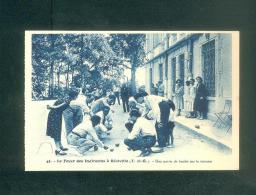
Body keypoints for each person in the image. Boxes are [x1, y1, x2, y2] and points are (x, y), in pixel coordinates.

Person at [46, 90, 78, 155]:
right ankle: (57, 149)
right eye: (76, 96)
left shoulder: (66, 97)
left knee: (58, 130)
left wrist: (52, 107)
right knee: (56, 131)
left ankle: (60, 146)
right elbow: (57, 107)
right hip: (54, 115)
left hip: (57, 115)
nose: (77, 97)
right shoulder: (67, 100)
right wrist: (51, 107)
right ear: (74, 96)